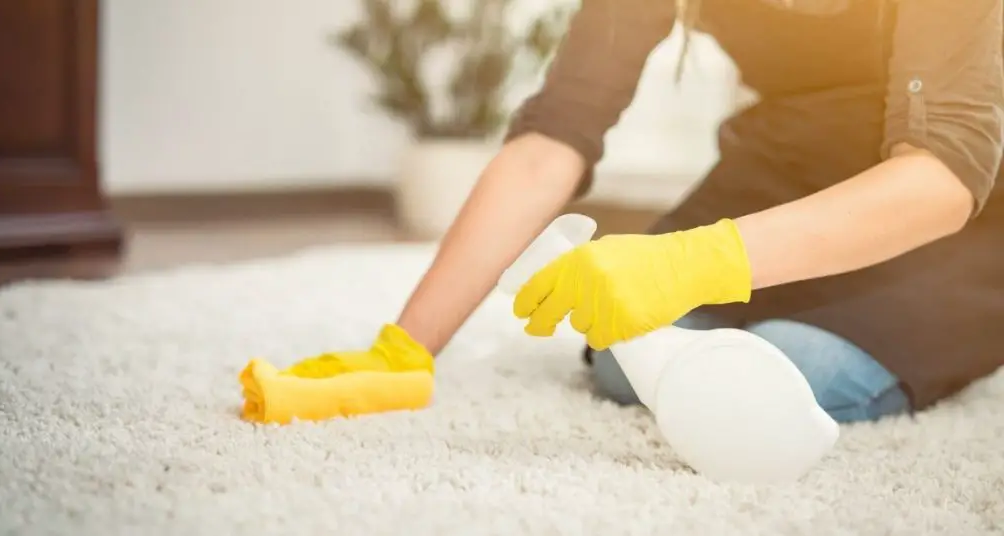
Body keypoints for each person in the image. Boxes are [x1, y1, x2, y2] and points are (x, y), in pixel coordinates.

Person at [288, 0, 1004, 424]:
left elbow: (939, 177)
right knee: (622, 361)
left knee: (778, 377)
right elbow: (553, 137)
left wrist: (696, 261)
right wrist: (404, 350)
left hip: (949, 216)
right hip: (780, 166)